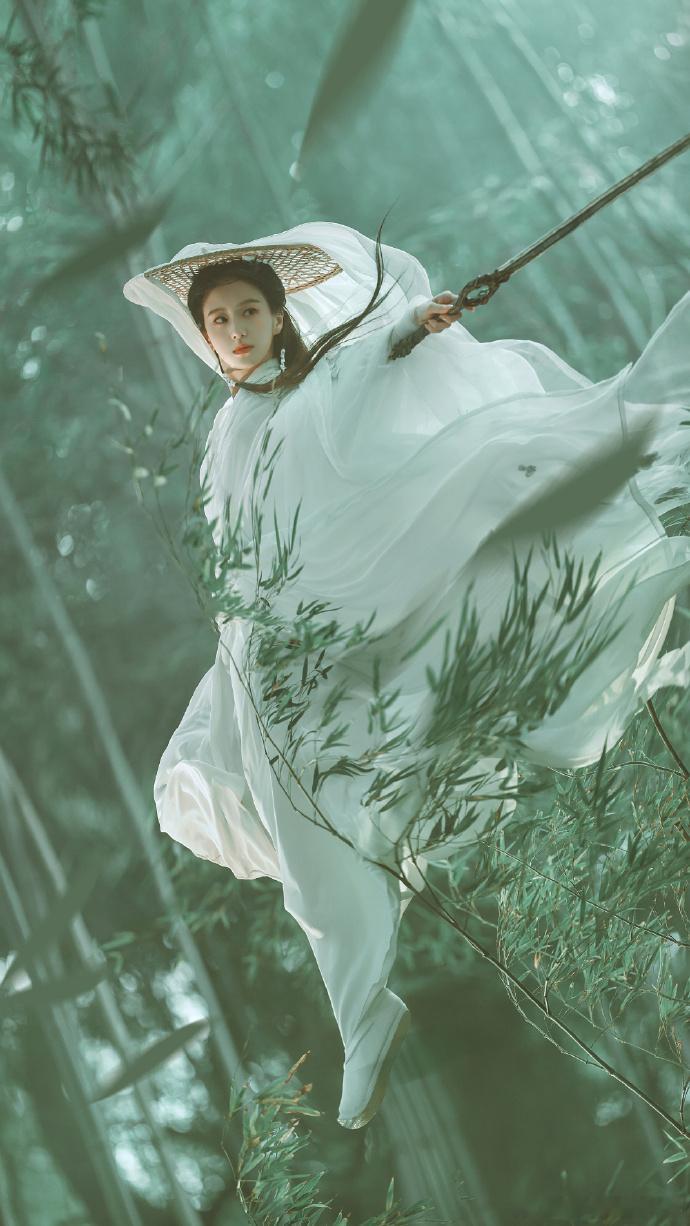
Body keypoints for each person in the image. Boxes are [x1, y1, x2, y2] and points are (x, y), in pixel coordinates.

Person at [123, 219, 690, 1129]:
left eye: (249, 311)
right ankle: (361, 1006)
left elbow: (374, 356)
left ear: (278, 317)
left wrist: (414, 325)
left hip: (356, 601)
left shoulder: (319, 381)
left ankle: (362, 1007)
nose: (233, 329)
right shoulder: (225, 430)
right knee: (277, 800)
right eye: (218, 318)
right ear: (206, 334)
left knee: (335, 778)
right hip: (270, 642)